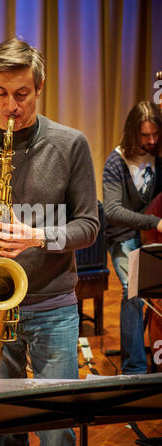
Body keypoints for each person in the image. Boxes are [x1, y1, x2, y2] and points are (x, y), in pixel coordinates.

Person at [0, 37, 99, 446]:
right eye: (1, 94)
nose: (11, 107)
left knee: (56, 427)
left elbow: (89, 224)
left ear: (40, 87)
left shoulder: (71, 144)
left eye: (22, 94)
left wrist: (39, 236)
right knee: (5, 429)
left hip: (55, 307)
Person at [103, 100, 162, 376]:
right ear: (132, 132)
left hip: (152, 236)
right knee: (134, 292)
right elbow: (113, 211)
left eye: (155, 134)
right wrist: (154, 222)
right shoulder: (116, 162)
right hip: (124, 236)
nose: (151, 140)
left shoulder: (159, 156)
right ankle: (134, 370)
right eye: (145, 135)